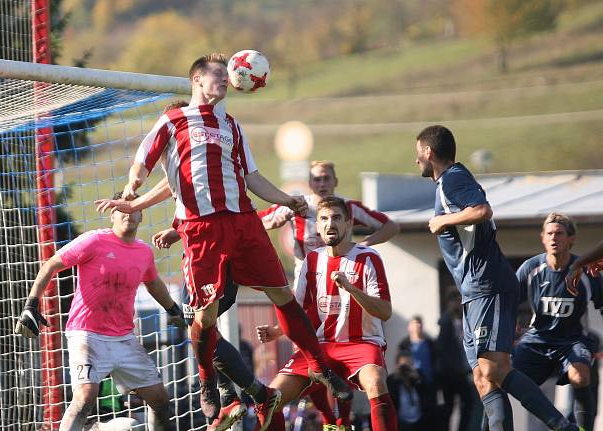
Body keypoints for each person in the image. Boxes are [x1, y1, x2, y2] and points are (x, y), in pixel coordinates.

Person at [96, 53, 351, 429]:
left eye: (228, 76)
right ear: (197, 79)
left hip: (244, 223)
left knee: (281, 292)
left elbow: (253, 177)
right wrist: (132, 188)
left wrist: (285, 199)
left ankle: (320, 367)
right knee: (205, 315)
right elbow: (145, 159)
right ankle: (208, 381)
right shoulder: (174, 119)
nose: (226, 81)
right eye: (218, 75)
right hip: (201, 229)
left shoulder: (232, 124)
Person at [414, 124, 580, 431]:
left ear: (428, 151)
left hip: (486, 284)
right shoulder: (447, 183)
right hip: (474, 290)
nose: (416, 162)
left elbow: (481, 210)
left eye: (418, 154)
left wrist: (442, 220)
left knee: (495, 368)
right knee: (482, 377)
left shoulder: (453, 178)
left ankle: (563, 427)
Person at [14, 192, 185, 431]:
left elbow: (153, 282)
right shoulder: (94, 241)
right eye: (122, 210)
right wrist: (31, 304)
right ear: (112, 215)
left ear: (141, 215)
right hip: (86, 334)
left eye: (133, 208)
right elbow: (51, 263)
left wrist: (173, 309)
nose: (128, 213)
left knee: (160, 400)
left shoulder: (143, 252)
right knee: (85, 397)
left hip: (123, 338)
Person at [255, 196, 399, 431]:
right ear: (318, 226)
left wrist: (351, 288)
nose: (329, 224)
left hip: (361, 343)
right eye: (323, 219)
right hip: (321, 346)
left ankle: (341, 422)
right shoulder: (312, 260)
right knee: (270, 399)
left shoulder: (368, 258)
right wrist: (276, 331)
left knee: (375, 381)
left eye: (336, 218)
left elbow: (385, 311)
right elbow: (297, 309)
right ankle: (334, 423)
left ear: (348, 224)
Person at [508, 213, 601, 430]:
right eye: (549, 233)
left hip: (573, 340)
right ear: (542, 238)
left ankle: (583, 427)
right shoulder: (530, 269)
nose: (553, 238)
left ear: (572, 239)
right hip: (537, 339)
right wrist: (509, 323)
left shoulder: (586, 272)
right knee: (502, 379)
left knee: (579, 374)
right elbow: (508, 301)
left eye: (559, 233)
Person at [259, 160, 400, 268]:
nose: (322, 184)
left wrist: (361, 246)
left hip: (341, 280)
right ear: (310, 183)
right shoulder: (296, 205)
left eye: (326, 178)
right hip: (307, 283)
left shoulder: (349, 206)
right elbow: (257, 221)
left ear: (335, 181)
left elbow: (391, 226)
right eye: (317, 179)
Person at [437, 290, 479, 431]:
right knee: (448, 408)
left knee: (468, 404)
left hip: (463, 372)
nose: (458, 304)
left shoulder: (466, 321)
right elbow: (443, 350)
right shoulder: (446, 322)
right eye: (455, 300)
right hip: (449, 374)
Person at [387, 352, 436, 431]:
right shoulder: (391, 381)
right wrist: (398, 377)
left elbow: (430, 398)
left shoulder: (419, 377)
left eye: (410, 365)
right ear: (397, 366)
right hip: (401, 424)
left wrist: (417, 379)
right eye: (404, 366)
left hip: (420, 423)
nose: (406, 369)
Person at [397, 315, 438, 388]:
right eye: (416, 323)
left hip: (429, 383)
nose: (419, 325)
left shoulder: (429, 343)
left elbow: (435, 361)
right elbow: (400, 364)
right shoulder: (404, 345)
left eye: (420, 323)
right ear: (410, 326)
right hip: (412, 383)